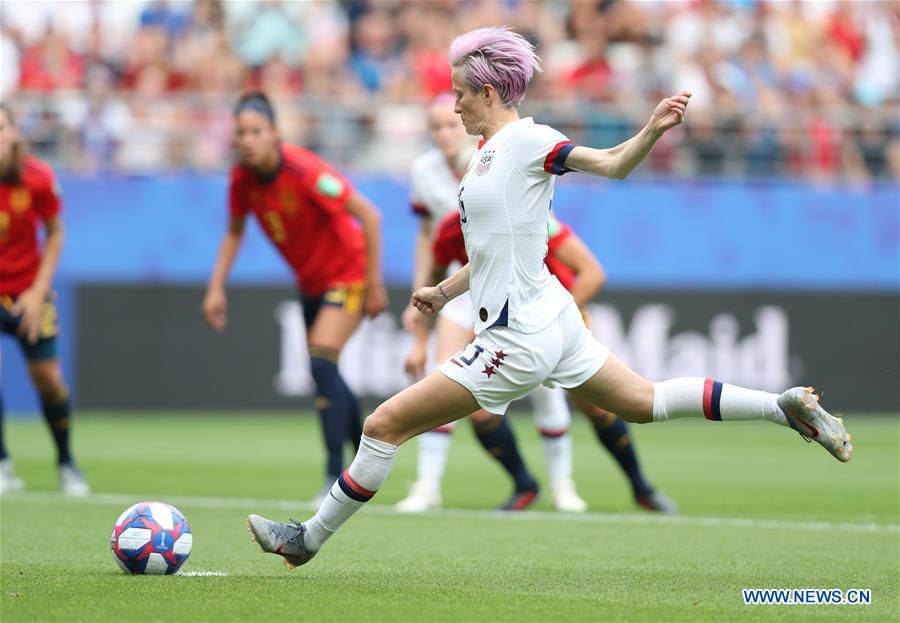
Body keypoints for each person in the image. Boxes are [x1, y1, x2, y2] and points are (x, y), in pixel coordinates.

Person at [246, 27, 852, 569]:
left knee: (383, 425)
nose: (453, 102)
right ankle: (782, 407)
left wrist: (650, 130)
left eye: (460, 92)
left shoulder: (527, 140)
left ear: (488, 93)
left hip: (518, 338)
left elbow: (611, 165)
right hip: (550, 319)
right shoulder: (484, 160)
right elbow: (490, 255)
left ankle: (307, 540)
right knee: (642, 401)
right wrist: (444, 289)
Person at [400, 209, 677, 513]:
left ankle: (640, 487)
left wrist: (554, 317)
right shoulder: (451, 230)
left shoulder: (531, 220)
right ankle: (524, 484)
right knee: (480, 414)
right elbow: (435, 284)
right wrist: (421, 341)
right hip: (501, 325)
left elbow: (593, 273)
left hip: (556, 319)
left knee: (597, 408)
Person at [203, 92, 388, 501]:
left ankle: (332, 477)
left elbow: (369, 214)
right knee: (326, 372)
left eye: (256, 131)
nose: (248, 140)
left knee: (321, 361)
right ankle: (368, 455)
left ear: (275, 134)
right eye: (241, 133)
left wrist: (374, 283)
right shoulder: (241, 178)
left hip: (348, 274)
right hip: (311, 284)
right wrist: (216, 286)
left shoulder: (305, 171)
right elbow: (234, 231)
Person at [397, 94, 548, 512]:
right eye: (436, 126)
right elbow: (428, 236)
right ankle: (427, 486)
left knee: (544, 392)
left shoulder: (489, 153)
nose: (446, 131)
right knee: (441, 376)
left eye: (450, 122)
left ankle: (560, 483)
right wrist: (421, 292)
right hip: (461, 284)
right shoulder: (423, 170)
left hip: (509, 284)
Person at [0, 102, 90, 496]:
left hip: (28, 291)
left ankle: (67, 462)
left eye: (0, 128)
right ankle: (2, 461)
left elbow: (55, 232)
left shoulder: (36, 178)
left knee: (48, 380)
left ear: (15, 133)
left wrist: (37, 292)